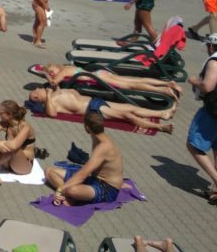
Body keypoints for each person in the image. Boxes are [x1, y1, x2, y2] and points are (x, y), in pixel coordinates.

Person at [45, 111, 124, 205]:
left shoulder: (103, 147)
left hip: (106, 188)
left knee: (73, 190)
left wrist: (60, 190)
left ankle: (67, 195)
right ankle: (66, 196)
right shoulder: (100, 138)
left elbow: (82, 175)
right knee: (49, 171)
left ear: (87, 127)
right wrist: (61, 190)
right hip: (94, 179)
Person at [29, 87, 174, 133]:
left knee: (130, 107)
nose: (39, 88)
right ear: (36, 96)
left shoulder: (55, 93)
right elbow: (52, 114)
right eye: (37, 90)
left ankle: (162, 114)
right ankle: (161, 127)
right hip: (93, 108)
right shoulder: (52, 101)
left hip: (95, 101)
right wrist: (47, 95)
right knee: (127, 115)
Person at [186, 32, 217, 204]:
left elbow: (207, 85)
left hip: (213, 112)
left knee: (193, 145)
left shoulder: (214, 62)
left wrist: (194, 81)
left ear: (211, 46)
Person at [42, 63, 181, 98]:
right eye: (50, 73)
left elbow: (54, 84)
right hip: (99, 73)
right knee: (133, 80)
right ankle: (167, 83)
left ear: (55, 66)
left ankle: (164, 90)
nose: (52, 74)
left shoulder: (64, 71)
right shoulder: (68, 67)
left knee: (131, 86)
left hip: (99, 78)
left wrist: (47, 77)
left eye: (51, 71)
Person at [0, 100, 37, 186]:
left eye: (1, 113)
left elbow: (14, 146)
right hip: (7, 161)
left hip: (23, 165)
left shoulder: (25, 127)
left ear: (9, 114)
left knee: (14, 148)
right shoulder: (5, 124)